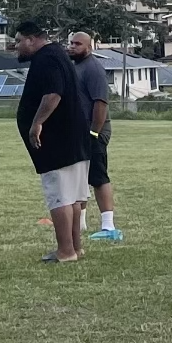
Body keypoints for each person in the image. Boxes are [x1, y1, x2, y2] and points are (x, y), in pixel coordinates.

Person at [13, 21, 90, 263]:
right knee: (73, 197)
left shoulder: (45, 58)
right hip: (74, 138)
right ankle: (75, 248)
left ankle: (65, 251)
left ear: (32, 39)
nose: (16, 46)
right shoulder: (58, 54)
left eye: (18, 41)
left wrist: (37, 123)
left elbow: (53, 93)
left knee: (59, 197)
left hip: (57, 140)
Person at [68, 31, 123, 242]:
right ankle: (80, 224)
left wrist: (94, 132)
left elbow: (100, 103)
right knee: (79, 177)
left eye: (78, 44)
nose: (72, 47)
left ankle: (108, 227)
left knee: (98, 177)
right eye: (71, 43)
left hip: (94, 132)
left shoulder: (93, 69)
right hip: (78, 132)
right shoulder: (76, 67)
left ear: (89, 47)